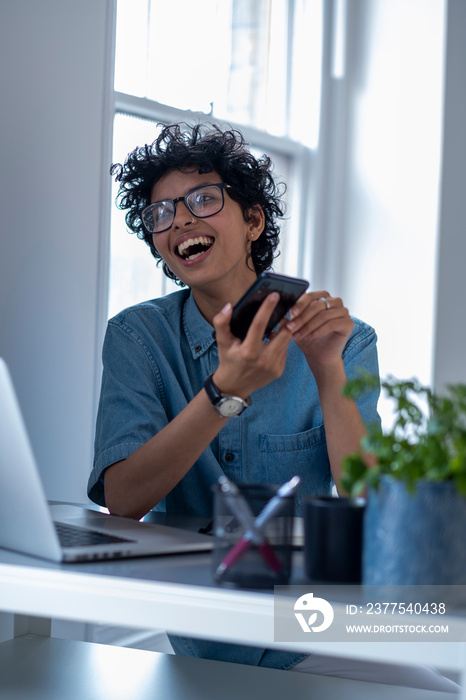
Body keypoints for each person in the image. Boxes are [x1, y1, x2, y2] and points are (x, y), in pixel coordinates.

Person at [87, 123, 458, 692]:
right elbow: (124, 499)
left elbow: (369, 501)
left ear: (253, 220)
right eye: (161, 213)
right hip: (202, 623)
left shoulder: (345, 340)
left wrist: (328, 368)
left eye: (203, 200)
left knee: (436, 689)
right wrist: (221, 395)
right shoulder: (138, 339)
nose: (180, 220)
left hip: (311, 616)